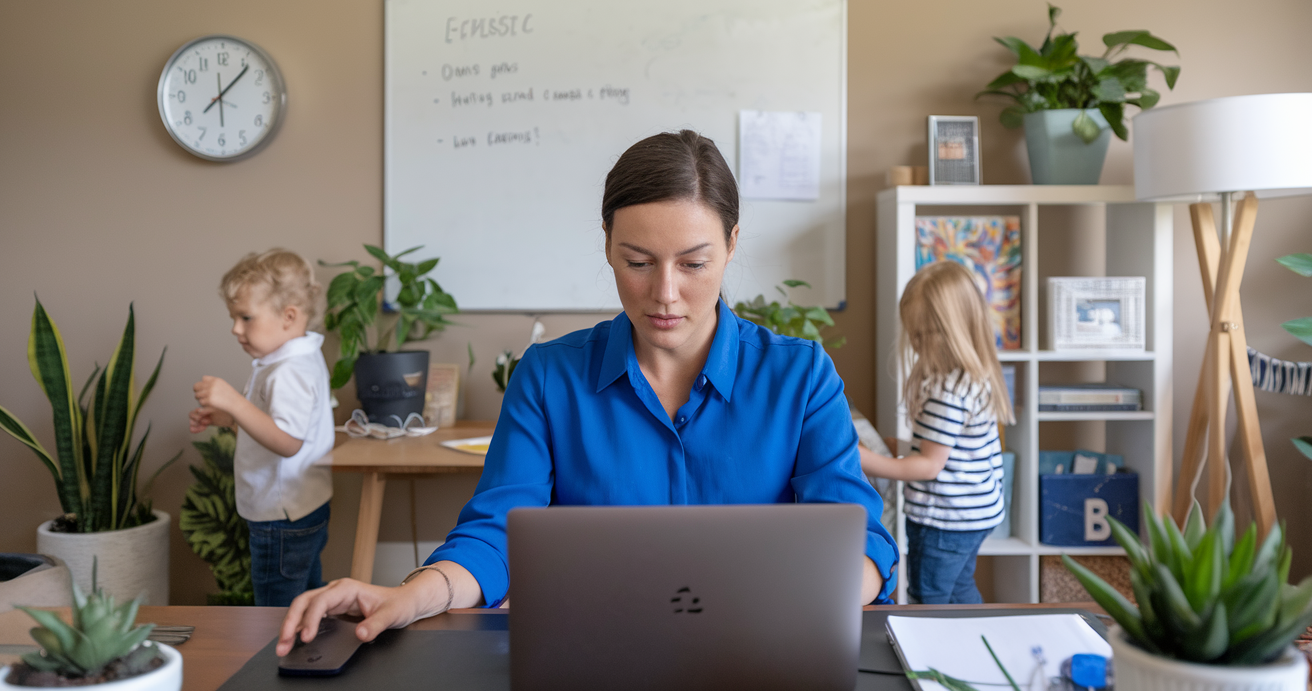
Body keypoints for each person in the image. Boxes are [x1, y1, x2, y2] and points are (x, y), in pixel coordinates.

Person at [275, 130, 897, 654]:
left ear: (732, 245)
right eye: (638, 261)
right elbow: (496, 534)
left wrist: (795, 607)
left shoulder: (801, 376)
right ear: (606, 243)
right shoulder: (548, 377)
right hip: (594, 660)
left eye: (693, 263)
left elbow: (863, 539)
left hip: (763, 657)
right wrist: (411, 594)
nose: (665, 293)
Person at [858, 260, 1014, 604]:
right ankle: (976, 647)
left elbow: (928, 466)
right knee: (959, 589)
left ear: (952, 331)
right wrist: (896, 445)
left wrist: (864, 459)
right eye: (913, 334)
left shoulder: (947, 392)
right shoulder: (974, 376)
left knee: (930, 599)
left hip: (945, 520)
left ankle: (935, 657)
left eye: (923, 334)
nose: (915, 344)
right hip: (976, 514)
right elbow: (948, 447)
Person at [189, 249, 335, 607]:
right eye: (233, 318)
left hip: (280, 515)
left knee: (276, 611)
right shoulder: (294, 357)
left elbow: (287, 441)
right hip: (302, 505)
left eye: (246, 318)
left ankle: (278, 662)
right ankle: (309, 658)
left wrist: (235, 402)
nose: (235, 329)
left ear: (289, 317)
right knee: (306, 599)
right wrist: (229, 418)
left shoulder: (289, 371)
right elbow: (275, 424)